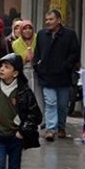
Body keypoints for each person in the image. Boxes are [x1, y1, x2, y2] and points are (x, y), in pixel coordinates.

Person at [33, 10, 80, 141]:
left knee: (62, 104)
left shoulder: (69, 34)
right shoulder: (42, 34)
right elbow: (38, 52)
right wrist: (37, 65)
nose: (48, 22)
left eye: (51, 19)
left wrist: (66, 65)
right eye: (46, 19)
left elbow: (75, 53)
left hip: (63, 76)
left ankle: (61, 126)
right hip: (46, 75)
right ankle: (51, 129)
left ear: (59, 20)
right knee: (50, 102)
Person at [11, 20, 44, 116]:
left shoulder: (38, 39)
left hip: (38, 71)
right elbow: (19, 59)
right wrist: (28, 56)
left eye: (30, 28)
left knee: (39, 95)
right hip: (24, 71)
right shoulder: (16, 44)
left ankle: (40, 117)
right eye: (24, 28)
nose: (27, 31)